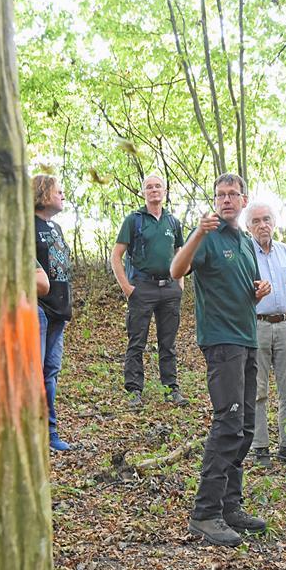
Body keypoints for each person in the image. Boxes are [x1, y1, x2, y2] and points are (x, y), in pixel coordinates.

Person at [171, 173, 272, 547]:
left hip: (247, 339)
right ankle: (205, 513)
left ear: (243, 201)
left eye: (232, 194)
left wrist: (260, 291)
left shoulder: (245, 242)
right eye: (220, 195)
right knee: (228, 422)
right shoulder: (207, 237)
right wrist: (197, 233)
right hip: (221, 341)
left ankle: (230, 504)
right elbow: (176, 270)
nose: (226, 200)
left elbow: (247, 291)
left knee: (245, 426)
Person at [110, 174, 187, 410]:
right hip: (142, 288)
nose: (154, 190)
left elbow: (180, 253)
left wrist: (180, 283)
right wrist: (127, 287)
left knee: (168, 342)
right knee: (137, 341)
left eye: (158, 186)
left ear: (165, 191)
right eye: (149, 187)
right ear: (143, 192)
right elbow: (116, 255)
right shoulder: (134, 220)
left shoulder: (173, 222)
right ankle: (134, 391)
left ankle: (170, 389)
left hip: (169, 289)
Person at [245, 202, 286, 468]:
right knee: (258, 390)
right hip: (256, 326)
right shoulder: (244, 254)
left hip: (285, 326)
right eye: (256, 221)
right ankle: (260, 447)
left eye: (267, 219)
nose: (262, 225)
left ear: (274, 222)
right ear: (248, 227)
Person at [34, 174, 75, 452]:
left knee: (51, 371)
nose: (62, 195)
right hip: (37, 308)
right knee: (34, 370)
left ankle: (50, 432)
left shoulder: (56, 228)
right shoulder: (26, 226)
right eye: (57, 191)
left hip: (59, 310)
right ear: (41, 192)